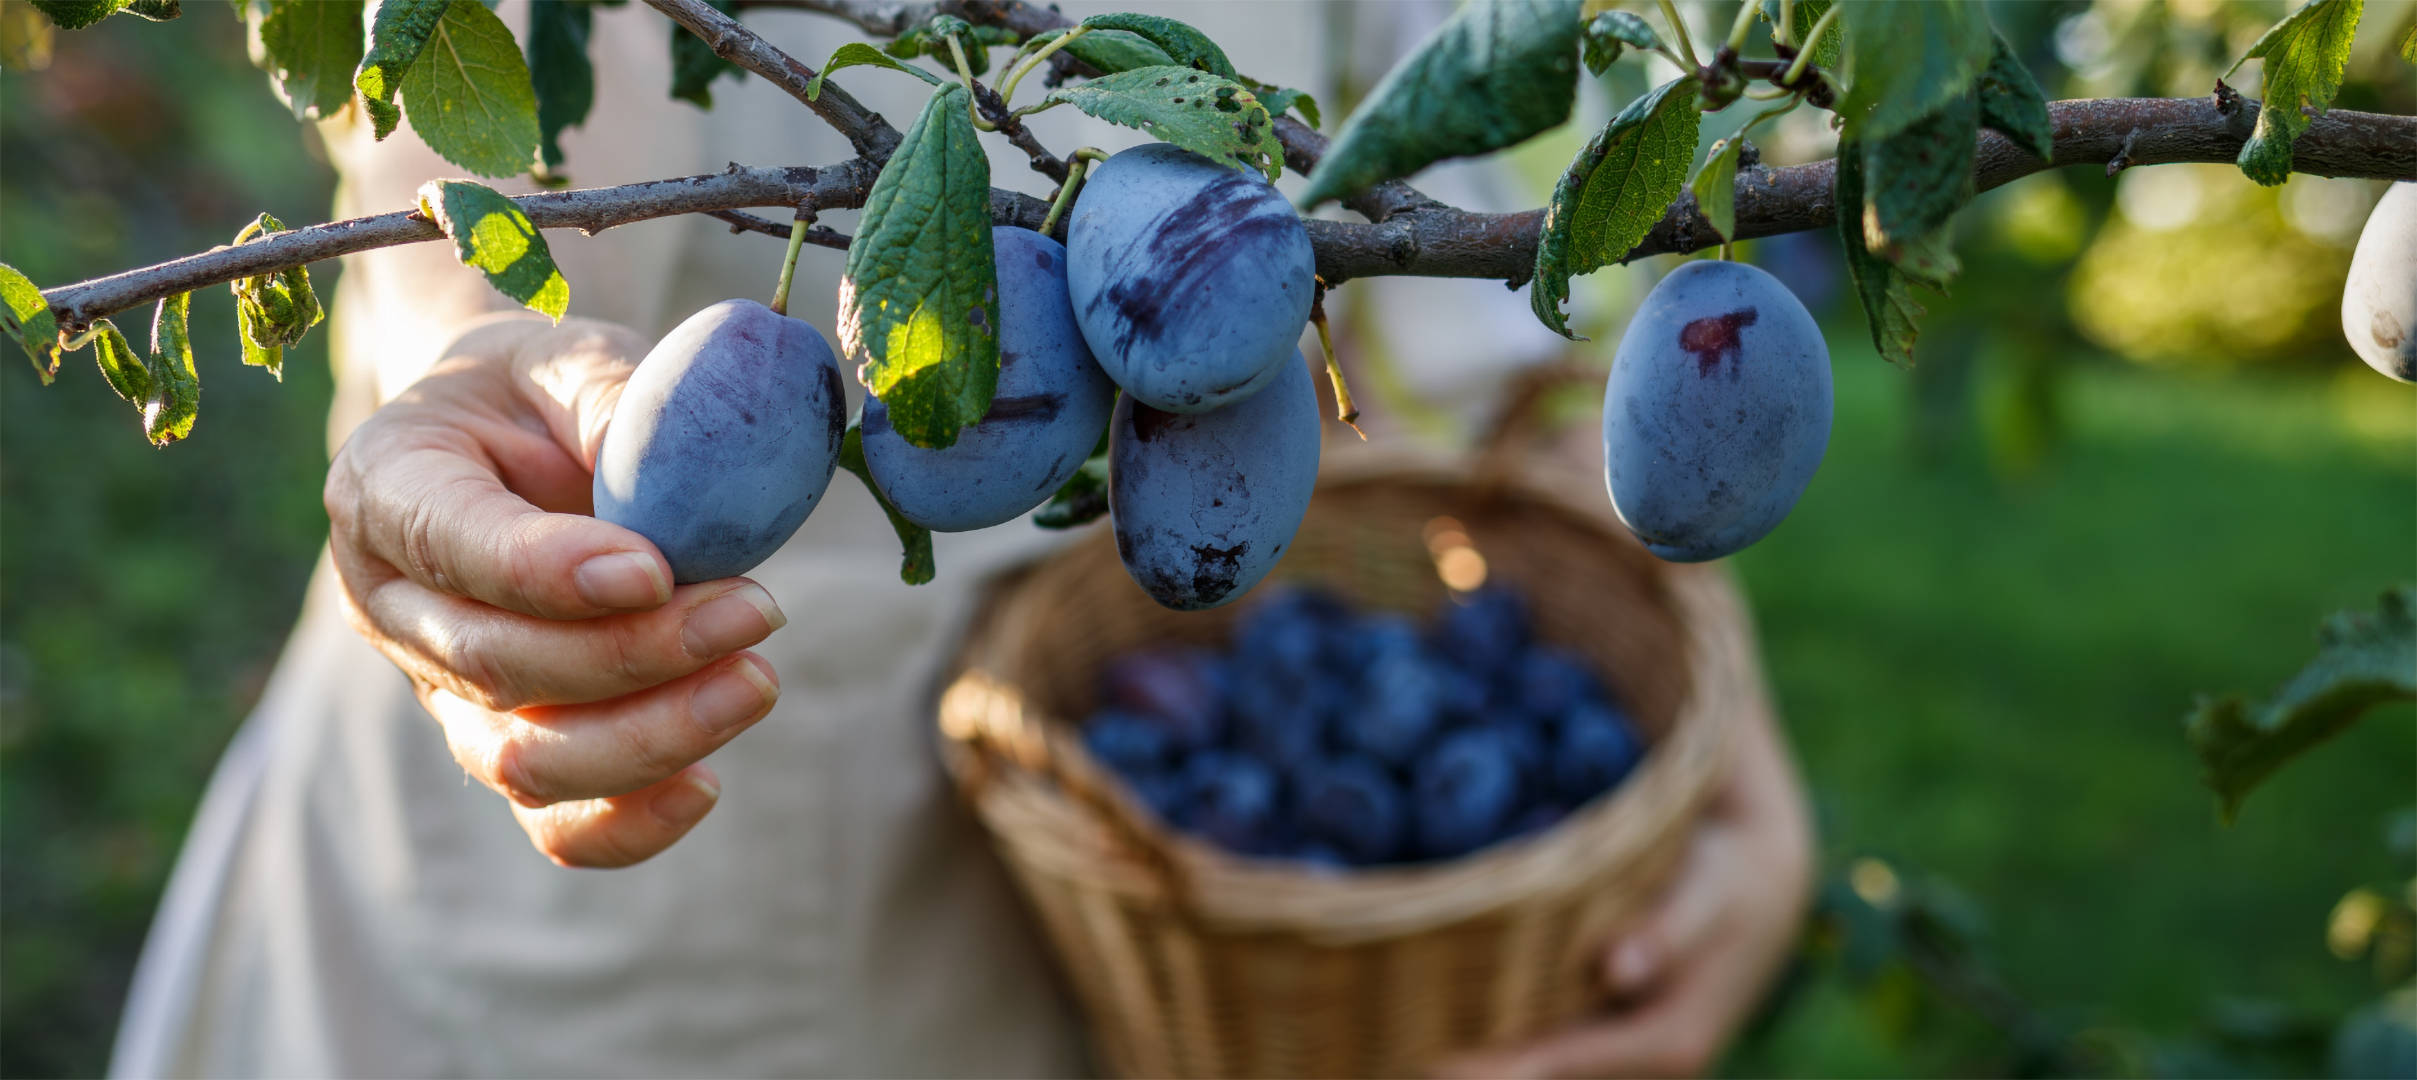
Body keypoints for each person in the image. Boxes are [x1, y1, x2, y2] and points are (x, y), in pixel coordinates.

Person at [111, 3, 1813, 1076]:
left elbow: (1464, 224)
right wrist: (479, 344)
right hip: (633, 816)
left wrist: (1717, 735)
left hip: (1127, 830)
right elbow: (534, 75)